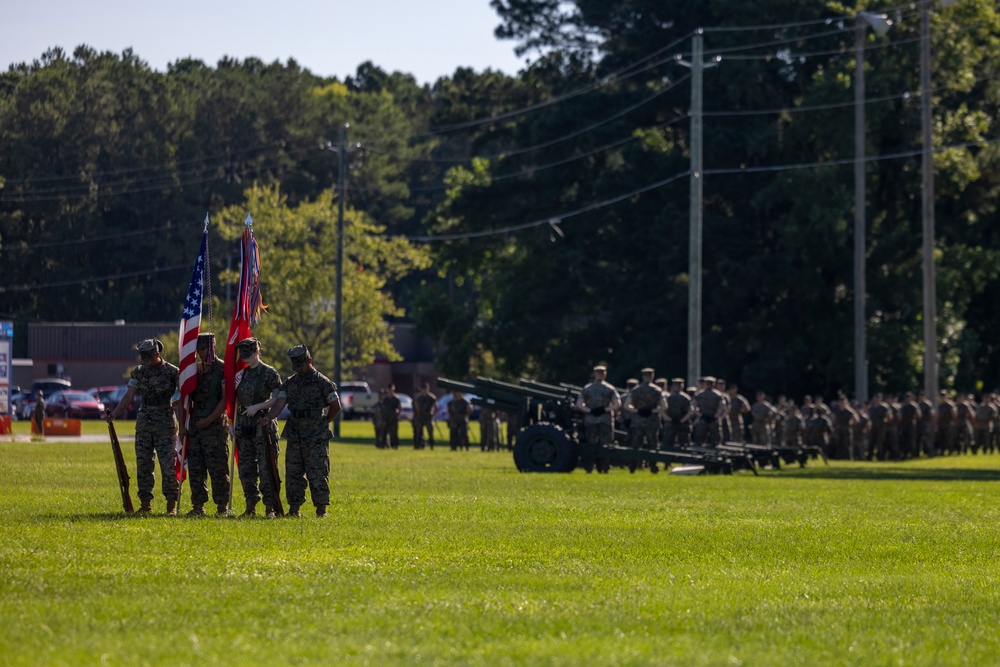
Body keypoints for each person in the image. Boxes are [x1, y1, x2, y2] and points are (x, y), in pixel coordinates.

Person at [262, 345, 341, 518]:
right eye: (296, 366)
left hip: (316, 435)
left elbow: (336, 406)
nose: (299, 370)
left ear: (309, 361)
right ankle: (294, 509)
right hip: (295, 432)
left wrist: (323, 423)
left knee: (317, 472)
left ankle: (321, 510)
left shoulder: (323, 382)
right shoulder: (291, 383)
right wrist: (268, 417)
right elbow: (279, 404)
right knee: (293, 472)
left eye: (301, 365)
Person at [108, 339, 180, 515]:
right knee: (144, 465)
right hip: (145, 423)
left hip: (165, 423)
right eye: (143, 357)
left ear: (157, 353)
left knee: (168, 466)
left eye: (148, 356)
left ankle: (171, 505)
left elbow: (184, 395)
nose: (146, 360)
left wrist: (176, 409)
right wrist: (115, 414)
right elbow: (128, 397)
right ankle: (145, 504)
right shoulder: (139, 373)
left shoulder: (172, 372)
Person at [230, 337, 283, 518]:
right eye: (243, 355)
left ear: (257, 352)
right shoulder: (240, 374)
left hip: (262, 425)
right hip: (243, 426)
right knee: (246, 469)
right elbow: (233, 399)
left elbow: (278, 398)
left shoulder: (269, 373)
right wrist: (232, 424)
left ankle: (271, 507)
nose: (246, 358)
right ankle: (250, 506)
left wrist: (258, 407)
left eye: (249, 354)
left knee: (266, 467)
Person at [180, 333, 229, 517]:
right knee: (196, 469)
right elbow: (184, 398)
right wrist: (183, 427)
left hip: (214, 427)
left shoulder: (222, 369)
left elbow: (225, 401)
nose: (200, 353)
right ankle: (198, 506)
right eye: (198, 350)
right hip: (195, 427)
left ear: (212, 347)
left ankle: (222, 507)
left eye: (203, 349)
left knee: (218, 469)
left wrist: (209, 420)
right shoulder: (193, 371)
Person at [574, 365, 621, 473]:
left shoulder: (587, 388)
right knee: (606, 444)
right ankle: (604, 468)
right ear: (605, 374)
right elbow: (617, 404)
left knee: (590, 444)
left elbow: (579, 404)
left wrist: (589, 411)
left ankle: (589, 468)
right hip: (606, 419)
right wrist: (605, 409)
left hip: (590, 420)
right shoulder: (610, 388)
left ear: (595, 374)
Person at [625, 368, 664, 452]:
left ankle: (635, 463)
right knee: (653, 445)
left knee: (636, 445)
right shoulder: (657, 390)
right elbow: (664, 406)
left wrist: (638, 411)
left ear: (643, 377)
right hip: (652, 421)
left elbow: (626, 405)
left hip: (638, 421)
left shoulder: (635, 390)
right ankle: (653, 463)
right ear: (652, 376)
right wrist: (651, 411)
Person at [662, 378, 691, 447]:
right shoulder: (686, 398)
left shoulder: (668, 398)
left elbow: (662, 411)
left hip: (671, 424)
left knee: (667, 445)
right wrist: (682, 420)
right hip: (683, 423)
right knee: (684, 445)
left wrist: (670, 419)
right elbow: (690, 412)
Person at [412, 383, 436, 450]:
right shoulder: (419, 398)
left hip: (428, 417)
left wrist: (433, 414)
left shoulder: (432, 398)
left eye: (426, 389)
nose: (424, 391)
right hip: (420, 417)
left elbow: (435, 407)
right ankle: (418, 445)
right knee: (418, 432)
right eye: (423, 389)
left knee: (430, 433)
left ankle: (432, 445)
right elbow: (417, 408)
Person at [382, 384, 402, 450]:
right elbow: (383, 408)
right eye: (389, 390)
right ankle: (386, 445)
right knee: (385, 432)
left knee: (394, 433)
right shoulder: (386, 399)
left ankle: (394, 445)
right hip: (386, 418)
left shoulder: (396, 398)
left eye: (392, 390)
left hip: (393, 418)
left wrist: (397, 413)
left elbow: (399, 408)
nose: (391, 391)